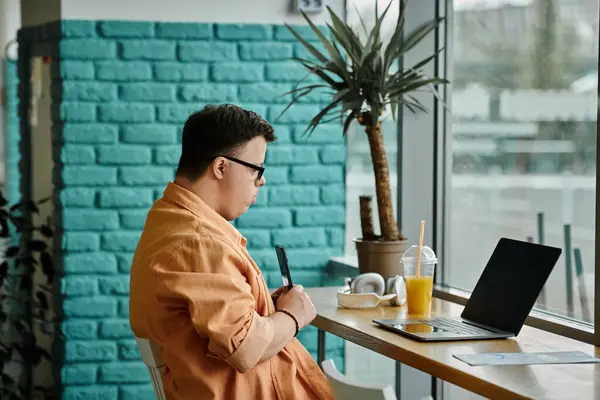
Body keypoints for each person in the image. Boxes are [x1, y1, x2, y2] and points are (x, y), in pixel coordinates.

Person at [129, 104, 334, 400]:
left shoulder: (169, 220)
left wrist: (267, 309)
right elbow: (247, 347)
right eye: (257, 169)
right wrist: (293, 316)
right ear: (221, 167)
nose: (262, 180)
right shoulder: (198, 242)